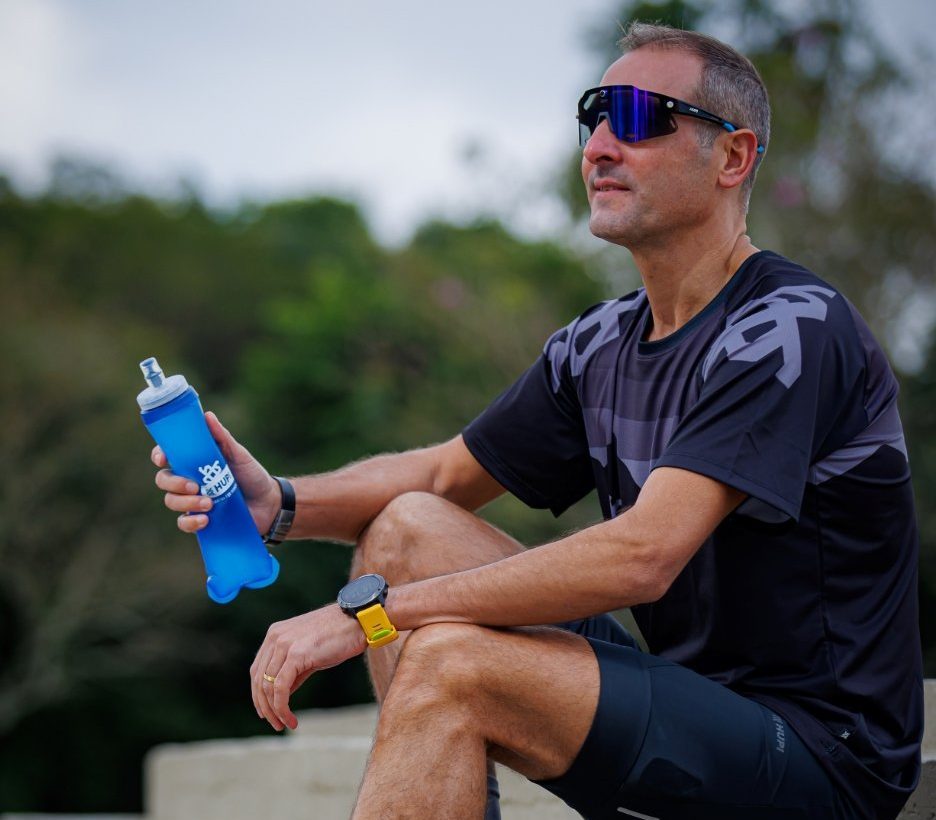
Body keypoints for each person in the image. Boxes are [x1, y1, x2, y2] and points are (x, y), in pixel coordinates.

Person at [152, 22, 923, 820]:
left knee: (451, 659)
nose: (599, 146)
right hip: (689, 701)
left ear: (733, 157)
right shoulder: (599, 344)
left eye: (637, 118)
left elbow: (644, 555)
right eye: (594, 116)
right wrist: (279, 502)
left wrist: (367, 616)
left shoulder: (787, 329)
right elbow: (443, 475)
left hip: (820, 757)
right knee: (408, 527)